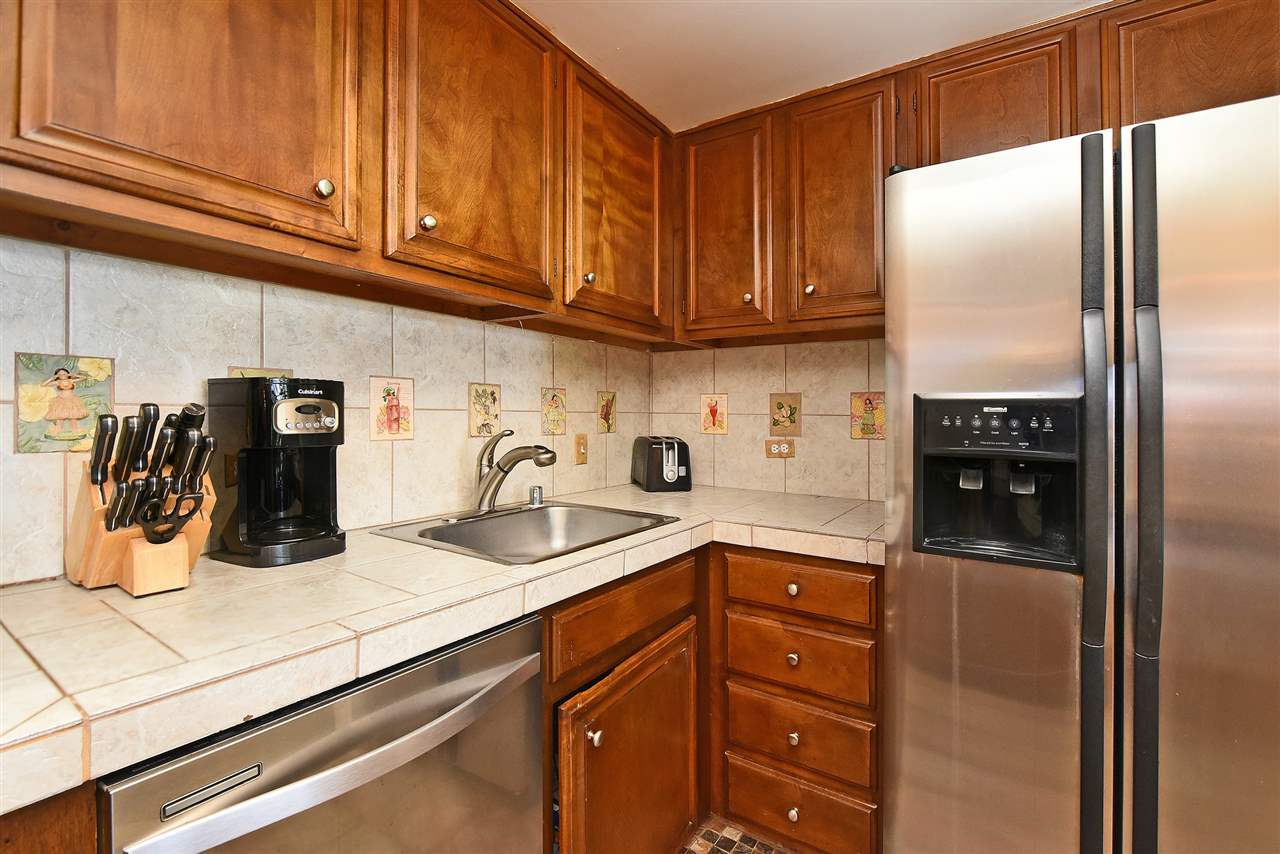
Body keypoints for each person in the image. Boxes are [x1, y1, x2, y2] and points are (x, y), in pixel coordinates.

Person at [41, 367, 90, 436]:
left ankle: (75, 431)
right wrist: (52, 378)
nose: (62, 375)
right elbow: (43, 384)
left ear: (68, 374)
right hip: (61, 400)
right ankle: (57, 430)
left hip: (72, 400)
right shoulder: (58, 382)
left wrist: (73, 375)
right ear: (57, 376)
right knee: (60, 417)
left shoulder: (71, 380)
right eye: (59, 374)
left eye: (64, 373)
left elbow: (84, 378)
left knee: (73, 417)